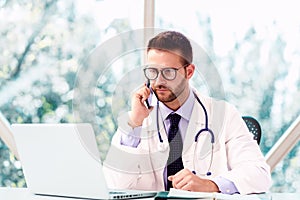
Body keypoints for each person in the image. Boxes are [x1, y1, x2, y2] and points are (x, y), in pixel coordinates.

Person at [103, 30, 272, 195]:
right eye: (152, 72)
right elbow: (113, 184)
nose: (158, 81)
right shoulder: (138, 118)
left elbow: (259, 174)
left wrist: (210, 184)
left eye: (168, 72)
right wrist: (134, 124)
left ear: (189, 71)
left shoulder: (224, 114)